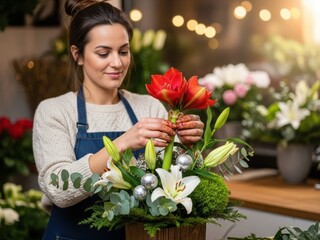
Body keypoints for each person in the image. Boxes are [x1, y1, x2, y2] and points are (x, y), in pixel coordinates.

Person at [33, 0, 204, 239]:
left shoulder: (149, 106)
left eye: (123, 51)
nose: (117, 62)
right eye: (103, 53)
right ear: (78, 55)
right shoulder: (55, 111)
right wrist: (122, 144)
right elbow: (58, 190)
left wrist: (188, 145)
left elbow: (174, 183)